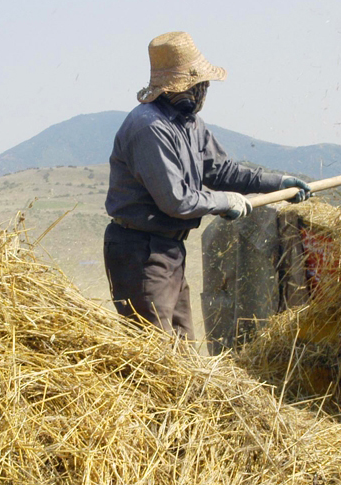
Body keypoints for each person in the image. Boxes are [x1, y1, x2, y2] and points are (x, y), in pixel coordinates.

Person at [104, 31, 311, 339]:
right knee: (154, 354)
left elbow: (222, 170)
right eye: (203, 83)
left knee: (182, 348)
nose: (207, 90)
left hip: (169, 249)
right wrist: (224, 201)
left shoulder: (188, 123)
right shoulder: (150, 128)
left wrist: (276, 182)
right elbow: (176, 200)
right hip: (141, 253)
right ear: (190, 86)